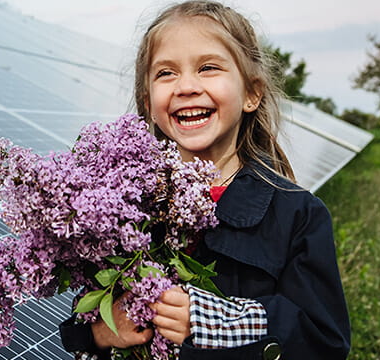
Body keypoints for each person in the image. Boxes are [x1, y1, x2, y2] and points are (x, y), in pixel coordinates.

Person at [58, 1, 351, 359]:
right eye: (166, 73)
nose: (186, 87)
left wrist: (210, 321)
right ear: (148, 101)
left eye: (208, 67)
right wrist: (102, 332)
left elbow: (325, 341)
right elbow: (85, 317)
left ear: (252, 93)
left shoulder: (297, 215)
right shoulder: (124, 204)